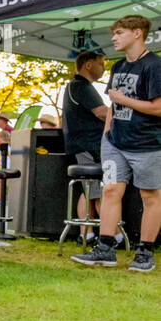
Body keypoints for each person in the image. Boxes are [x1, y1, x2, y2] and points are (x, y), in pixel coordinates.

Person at [72, 15, 161, 272]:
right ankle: (105, 248)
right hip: (115, 143)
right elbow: (113, 104)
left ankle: (145, 253)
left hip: (147, 143)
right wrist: (106, 136)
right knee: (110, 191)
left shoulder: (154, 66)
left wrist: (125, 99)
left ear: (137, 34)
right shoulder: (118, 66)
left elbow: (157, 107)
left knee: (150, 197)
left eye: (119, 32)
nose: (113, 38)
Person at [62, 49, 109, 246]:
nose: (104, 68)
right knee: (98, 191)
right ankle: (109, 235)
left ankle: (87, 233)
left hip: (80, 146)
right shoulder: (82, 86)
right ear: (88, 65)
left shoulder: (74, 86)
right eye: (101, 64)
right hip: (88, 145)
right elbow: (102, 113)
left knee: (88, 189)